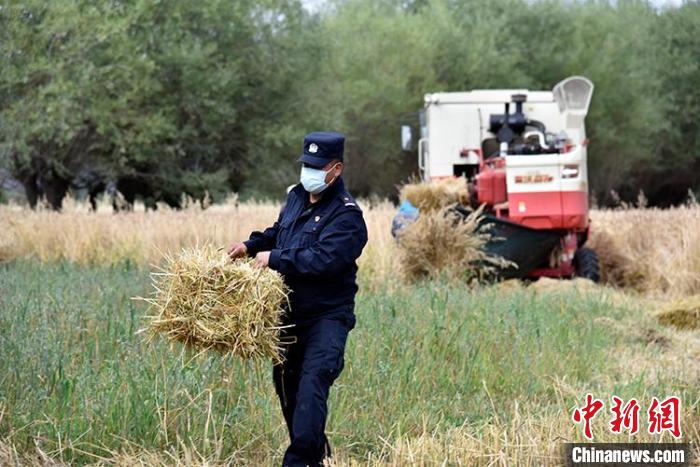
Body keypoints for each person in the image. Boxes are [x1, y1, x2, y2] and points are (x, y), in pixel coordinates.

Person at [228, 131, 368, 467]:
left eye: (317, 167)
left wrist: (274, 259)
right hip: (288, 314)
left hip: (327, 317)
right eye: (307, 164)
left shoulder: (348, 217)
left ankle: (298, 462)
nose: (310, 172)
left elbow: (323, 259)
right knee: (288, 391)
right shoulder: (296, 197)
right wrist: (252, 246)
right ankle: (317, 456)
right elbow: (280, 231)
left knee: (311, 387)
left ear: (336, 169)